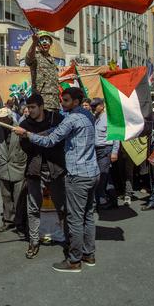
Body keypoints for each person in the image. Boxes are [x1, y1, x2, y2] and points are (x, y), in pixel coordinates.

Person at [15, 88, 100, 273]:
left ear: (76, 102)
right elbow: (55, 131)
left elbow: (50, 141)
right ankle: (89, 254)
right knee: (88, 216)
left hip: (78, 174)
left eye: (67, 100)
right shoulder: (88, 115)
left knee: (75, 218)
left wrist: (27, 134)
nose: (62, 103)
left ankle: (74, 260)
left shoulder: (70, 119)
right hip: (93, 172)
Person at [18, 94, 66, 259]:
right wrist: (27, 138)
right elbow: (26, 148)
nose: (30, 111)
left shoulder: (56, 118)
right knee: (33, 208)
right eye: (28, 107)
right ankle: (33, 242)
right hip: (35, 170)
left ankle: (69, 240)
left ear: (41, 106)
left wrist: (34, 137)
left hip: (56, 168)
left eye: (33, 107)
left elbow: (59, 140)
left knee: (62, 206)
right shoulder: (24, 124)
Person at [0, 107, 27, 234]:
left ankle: (20, 223)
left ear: (9, 118)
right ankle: (8, 220)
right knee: (6, 196)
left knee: (19, 198)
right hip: (3, 168)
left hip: (18, 167)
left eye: (3, 118)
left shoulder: (20, 128)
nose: (1, 120)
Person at [91, 98, 119, 209]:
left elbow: (116, 136)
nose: (93, 108)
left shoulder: (109, 118)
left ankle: (101, 201)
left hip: (106, 149)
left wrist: (115, 152)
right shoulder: (95, 118)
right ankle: (112, 200)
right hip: (97, 150)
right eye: (92, 106)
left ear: (102, 106)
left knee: (102, 176)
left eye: (95, 106)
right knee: (105, 176)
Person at [25, 31, 60, 112]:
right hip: (42, 102)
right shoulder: (36, 56)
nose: (44, 42)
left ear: (50, 44)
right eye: (42, 40)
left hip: (54, 102)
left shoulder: (52, 60)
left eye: (47, 40)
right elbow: (28, 59)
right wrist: (34, 43)